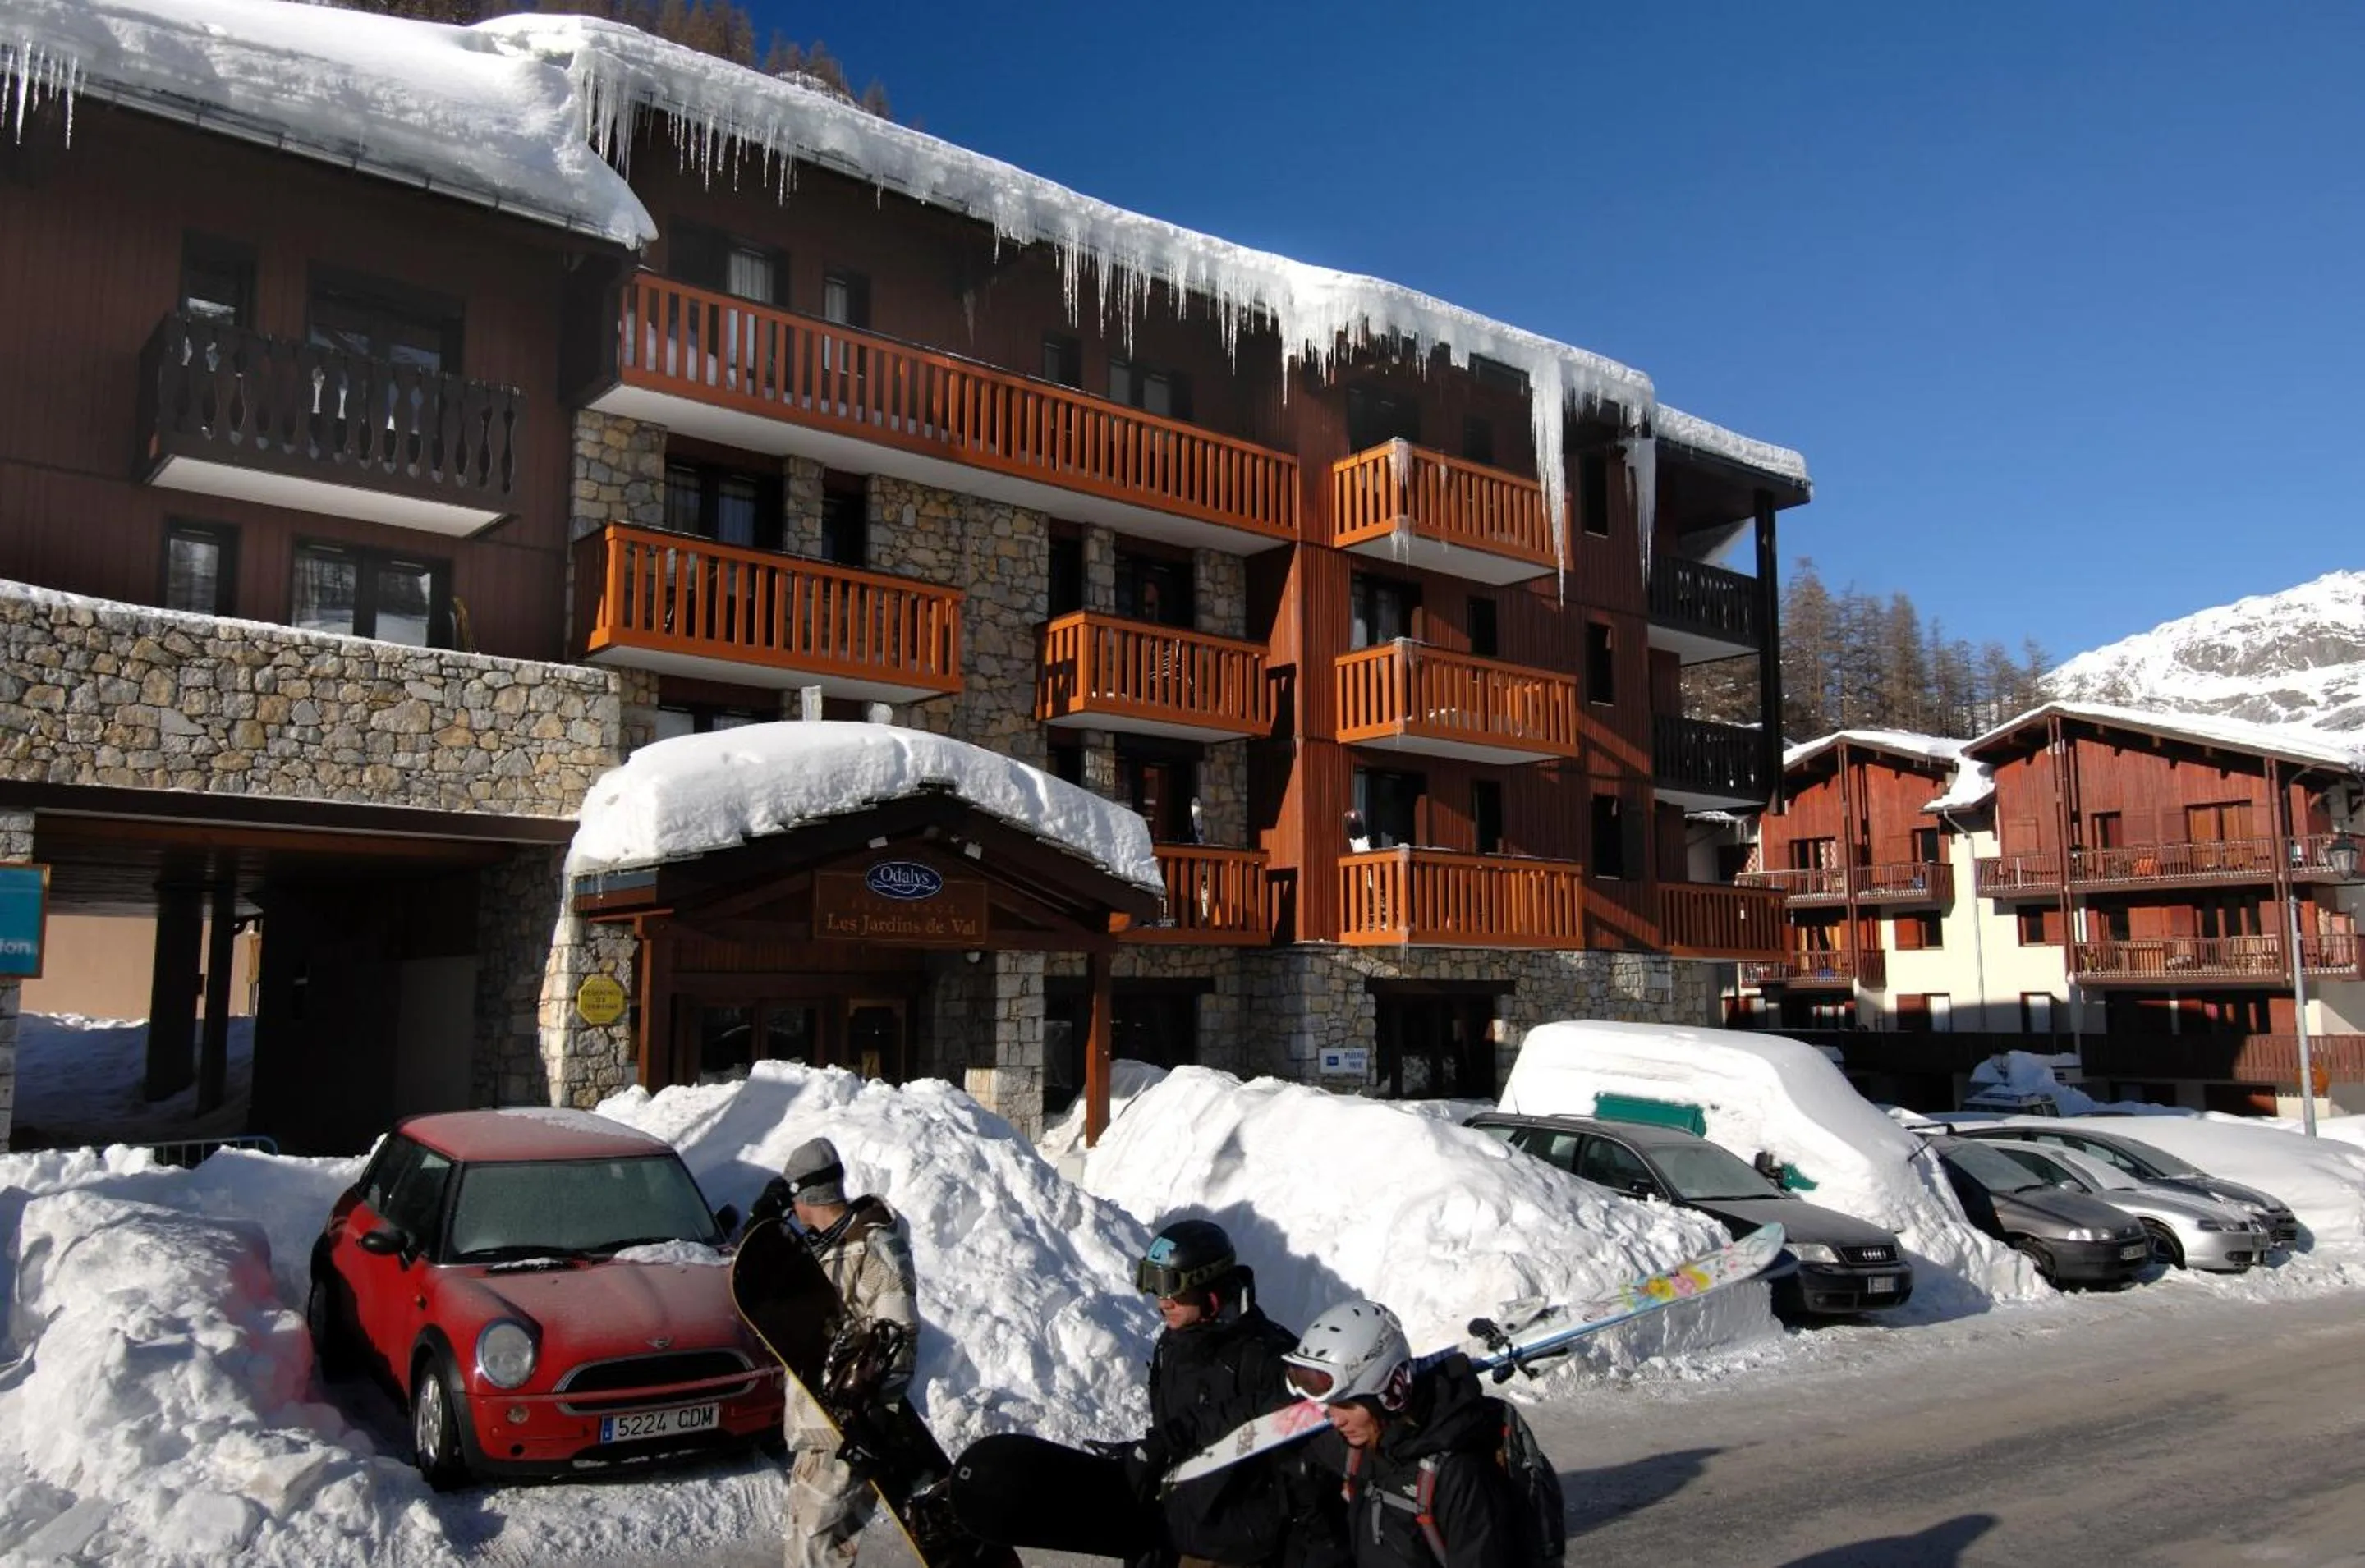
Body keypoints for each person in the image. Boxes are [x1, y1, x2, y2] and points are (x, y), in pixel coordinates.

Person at [1115, 1218, 1345, 1568]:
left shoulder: (1268, 1357)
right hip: (1181, 1538)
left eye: (1169, 1287)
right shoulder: (1173, 1345)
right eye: (1152, 1284)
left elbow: (1305, 1477)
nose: (1161, 1301)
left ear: (1208, 1289)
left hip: (1243, 1552)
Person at [1280, 1300, 1522, 1568]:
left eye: (1347, 1405)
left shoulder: (1461, 1475)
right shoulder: (1367, 1444)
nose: (1333, 1419)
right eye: (1329, 1406)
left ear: (1391, 1393)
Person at [777, 1136, 920, 1568]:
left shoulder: (873, 1249)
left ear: (807, 1194)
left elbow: (902, 1334)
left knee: (816, 1554)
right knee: (806, 1551)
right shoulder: (828, 1249)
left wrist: (868, 1419)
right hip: (818, 1432)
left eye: (792, 1195)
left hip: (848, 1431)